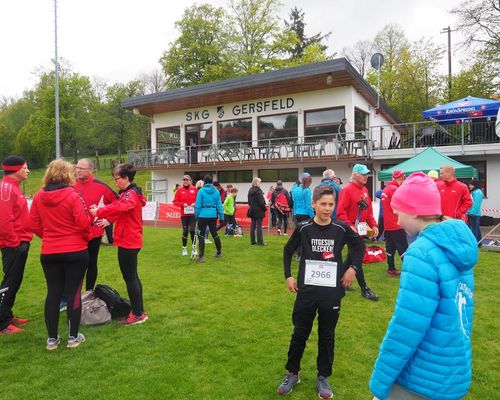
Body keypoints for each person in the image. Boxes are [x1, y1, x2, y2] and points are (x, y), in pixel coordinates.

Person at [370, 172, 477, 400]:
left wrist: (380, 380)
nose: (396, 221)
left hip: (422, 375)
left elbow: (407, 325)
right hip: (452, 366)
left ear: (415, 211)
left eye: (398, 213)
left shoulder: (420, 253)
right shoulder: (459, 247)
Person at [277, 185, 365, 399]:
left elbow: (359, 247)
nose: (327, 208)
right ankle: (293, 373)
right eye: (323, 204)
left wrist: (352, 268)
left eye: (331, 204)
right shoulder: (304, 228)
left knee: (327, 336)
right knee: (300, 333)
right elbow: (288, 250)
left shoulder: (341, 228)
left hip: (331, 293)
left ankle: (323, 377)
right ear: (313, 204)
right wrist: (288, 275)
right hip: (306, 291)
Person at [30, 159, 92, 349]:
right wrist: (86, 237)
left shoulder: (39, 196)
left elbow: (32, 224)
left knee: (53, 293)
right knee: (73, 293)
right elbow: (83, 223)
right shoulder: (73, 195)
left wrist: (49, 236)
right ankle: (73, 337)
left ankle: (52, 339)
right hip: (74, 250)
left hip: (50, 251)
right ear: (68, 174)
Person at [90, 163, 148, 325]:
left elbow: (122, 206)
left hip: (129, 241)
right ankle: (138, 310)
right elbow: (121, 210)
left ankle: (137, 314)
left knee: (130, 278)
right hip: (129, 240)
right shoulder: (129, 193)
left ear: (126, 178)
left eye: (117, 179)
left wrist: (100, 211)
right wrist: (108, 220)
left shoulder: (130, 195)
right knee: (133, 277)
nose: (115, 182)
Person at [74, 158, 119, 293]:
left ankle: (88, 292)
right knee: (74, 264)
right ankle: (72, 295)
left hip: (94, 233)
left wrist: (109, 220)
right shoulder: (70, 184)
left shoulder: (102, 186)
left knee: (91, 263)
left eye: (81, 168)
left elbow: (119, 203)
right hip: (75, 233)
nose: (78, 170)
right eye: (77, 167)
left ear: (90, 170)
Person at [336, 164, 379, 301]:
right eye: (363, 174)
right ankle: (364, 288)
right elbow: (340, 212)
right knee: (357, 258)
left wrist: (374, 225)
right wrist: (349, 226)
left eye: (367, 173)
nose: (367, 176)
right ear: (355, 175)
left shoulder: (365, 190)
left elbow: (369, 212)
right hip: (349, 231)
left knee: (351, 257)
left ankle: (338, 281)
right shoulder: (347, 190)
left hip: (361, 228)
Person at [0, 156, 32, 336]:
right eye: (25, 168)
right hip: (13, 244)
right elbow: (4, 221)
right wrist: (15, 243)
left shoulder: (14, 187)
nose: (27, 171)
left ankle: (7, 315)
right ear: (16, 169)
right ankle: (2, 323)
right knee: (9, 282)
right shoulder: (6, 189)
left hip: (20, 242)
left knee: (14, 282)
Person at [380, 170, 408, 277]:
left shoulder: (386, 189)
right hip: (397, 224)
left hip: (388, 225)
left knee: (390, 248)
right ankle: (408, 270)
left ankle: (391, 269)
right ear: (401, 178)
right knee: (403, 248)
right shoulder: (397, 190)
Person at [194, 175, 224, 262]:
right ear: (211, 182)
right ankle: (219, 252)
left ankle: (201, 256)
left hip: (203, 215)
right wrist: (221, 217)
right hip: (213, 215)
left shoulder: (201, 191)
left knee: (201, 235)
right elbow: (219, 205)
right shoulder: (216, 191)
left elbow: (198, 205)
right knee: (215, 234)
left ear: (204, 182)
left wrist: (196, 216)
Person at [173, 175, 198, 256]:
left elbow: (199, 200)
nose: (185, 181)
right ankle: (184, 248)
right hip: (184, 215)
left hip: (193, 214)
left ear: (190, 181)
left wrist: (196, 203)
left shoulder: (194, 189)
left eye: (187, 180)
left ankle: (194, 248)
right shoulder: (179, 190)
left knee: (192, 230)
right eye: (184, 180)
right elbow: (175, 202)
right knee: (185, 231)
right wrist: (183, 204)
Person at [247, 177, 267, 246]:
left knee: (252, 226)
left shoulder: (250, 190)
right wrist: (264, 208)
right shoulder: (258, 191)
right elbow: (261, 202)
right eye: (260, 182)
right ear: (257, 183)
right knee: (259, 226)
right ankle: (260, 242)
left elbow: (249, 201)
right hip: (259, 211)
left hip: (252, 210)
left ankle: (253, 241)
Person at [467, 180, 484, 244]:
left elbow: (477, 204)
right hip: (472, 213)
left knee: (474, 229)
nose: (469, 186)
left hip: (474, 214)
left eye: (471, 185)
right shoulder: (474, 192)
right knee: (476, 229)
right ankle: (479, 242)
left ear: (475, 185)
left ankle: (474, 242)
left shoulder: (477, 192)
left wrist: (472, 213)